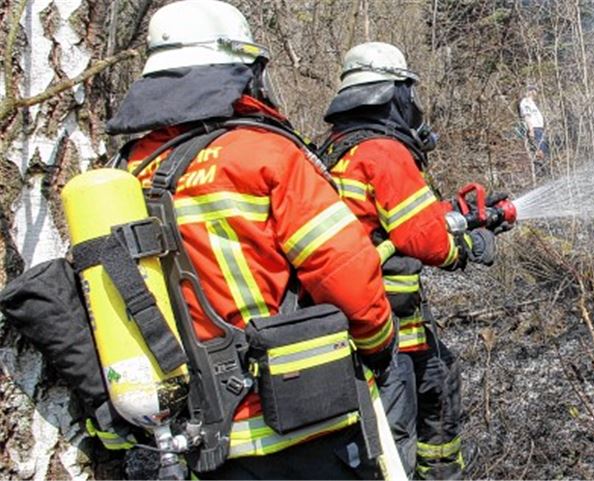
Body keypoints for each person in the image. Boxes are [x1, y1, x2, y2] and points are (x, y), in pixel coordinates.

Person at [102, 1, 396, 478]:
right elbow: (346, 270)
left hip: (196, 437)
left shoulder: (127, 170)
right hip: (298, 421)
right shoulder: (261, 153)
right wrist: (379, 345)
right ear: (238, 72)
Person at [320, 42, 497, 480]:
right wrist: (471, 244)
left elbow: (394, 221)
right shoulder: (383, 151)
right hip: (384, 327)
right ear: (392, 93)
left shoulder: (337, 148)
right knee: (396, 431)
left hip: (383, 319)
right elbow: (426, 240)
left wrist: (457, 216)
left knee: (439, 382)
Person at [518, 85, 550, 176]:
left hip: (539, 128)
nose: (536, 93)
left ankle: (545, 169)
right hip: (535, 128)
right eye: (535, 91)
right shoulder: (525, 103)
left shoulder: (532, 103)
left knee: (544, 149)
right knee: (539, 150)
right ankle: (541, 171)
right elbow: (527, 116)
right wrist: (531, 130)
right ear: (531, 91)